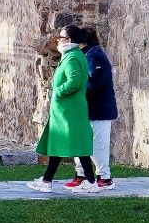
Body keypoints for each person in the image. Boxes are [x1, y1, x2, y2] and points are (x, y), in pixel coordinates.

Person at [27, 24, 98, 193]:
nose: (58, 41)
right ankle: (49, 180)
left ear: (70, 40)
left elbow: (73, 82)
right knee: (66, 144)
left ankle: (85, 181)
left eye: (61, 38)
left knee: (71, 144)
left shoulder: (72, 58)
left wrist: (58, 92)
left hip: (68, 109)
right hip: (67, 109)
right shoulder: (74, 55)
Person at [65, 25, 117, 190]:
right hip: (86, 109)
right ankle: (81, 175)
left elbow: (95, 82)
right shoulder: (86, 55)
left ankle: (104, 177)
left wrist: (76, 88)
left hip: (99, 110)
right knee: (81, 143)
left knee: (97, 145)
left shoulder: (96, 57)